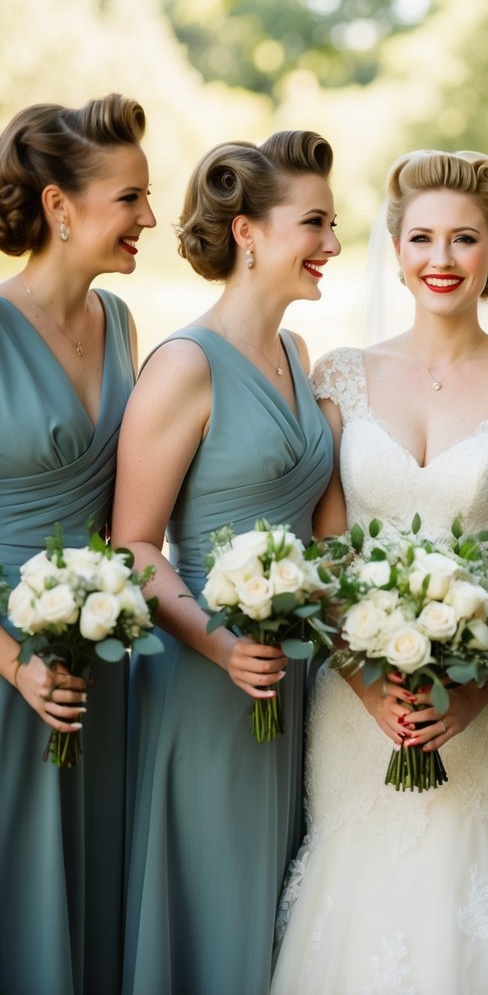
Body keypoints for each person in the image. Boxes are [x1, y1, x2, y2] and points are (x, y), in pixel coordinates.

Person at [271, 149, 488, 995]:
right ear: (394, 249)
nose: (442, 260)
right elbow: (324, 559)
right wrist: (369, 684)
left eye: (465, 239)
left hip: (484, 704)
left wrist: (475, 690)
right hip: (355, 701)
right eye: (423, 238)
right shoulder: (340, 378)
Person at [112, 132, 340, 995]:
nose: (332, 244)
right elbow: (133, 542)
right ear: (247, 233)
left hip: (292, 675)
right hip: (206, 681)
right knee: (208, 896)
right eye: (313, 222)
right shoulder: (183, 365)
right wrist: (219, 644)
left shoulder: (296, 356)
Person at [0, 94, 154, 995]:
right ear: (60, 207)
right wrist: (17, 662)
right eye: (129, 198)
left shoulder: (121, 325)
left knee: (87, 889)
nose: (148, 218)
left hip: (95, 658)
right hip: (11, 664)